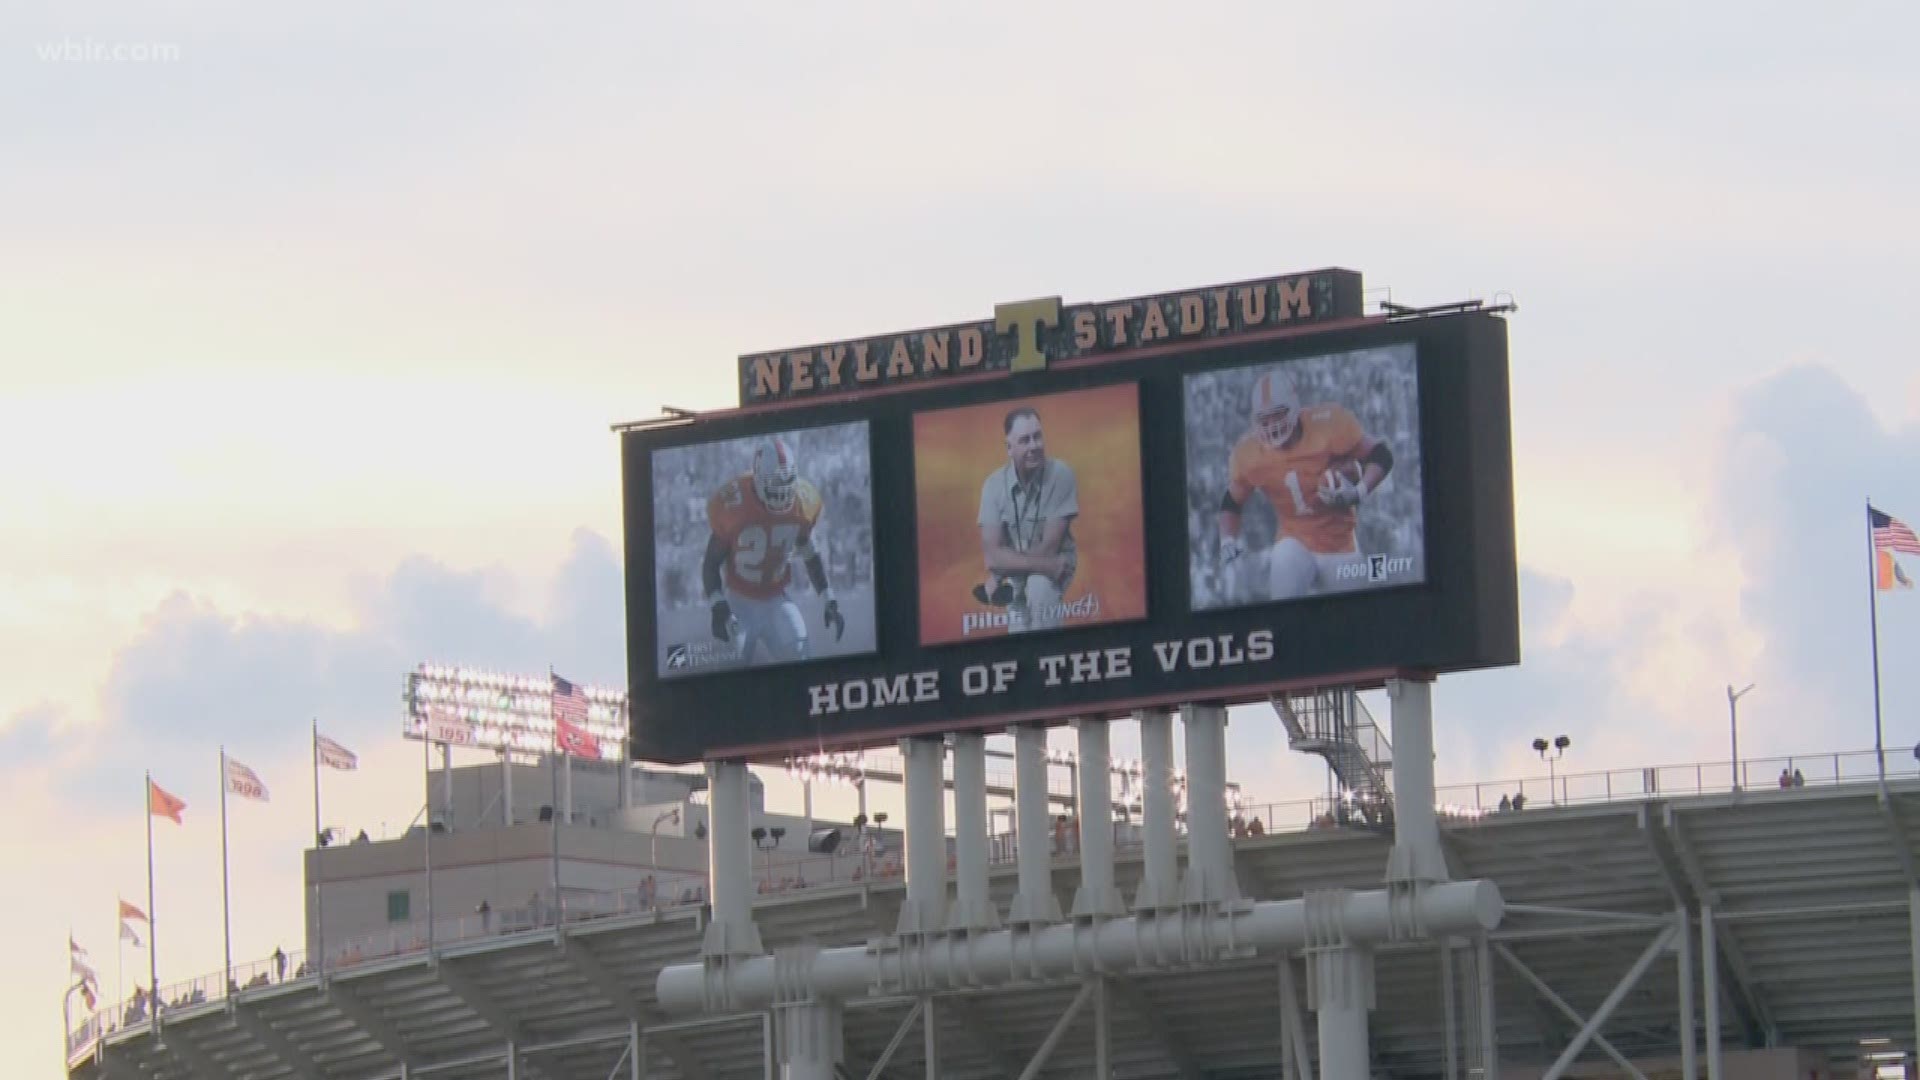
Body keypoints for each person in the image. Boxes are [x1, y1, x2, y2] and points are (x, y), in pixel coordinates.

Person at [1216, 367, 1396, 600]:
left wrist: (1358, 492)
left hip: (1340, 544)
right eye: (1264, 418)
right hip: (1294, 540)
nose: (1271, 425)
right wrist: (1227, 539)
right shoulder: (1249, 453)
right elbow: (1232, 501)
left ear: (1294, 408)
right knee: (1283, 570)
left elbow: (1381, 455)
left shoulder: (1328, 425)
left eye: (1278, 414)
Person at [703, 435, 844, 664]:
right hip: (739, 602)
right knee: (729, 665)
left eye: (787, 486)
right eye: (775, 486)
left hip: (776, 601)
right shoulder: (733, 504)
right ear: (758, 480)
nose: (782, 494)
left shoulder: (802, 503)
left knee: (802, 656)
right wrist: (718, 606)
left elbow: (810, 554)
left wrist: (829, 598)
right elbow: (710, 563)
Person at [976, 406, 1079, 633]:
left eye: (1037, 436)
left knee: (1039, 586)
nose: (1034, 446)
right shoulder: (993, 486)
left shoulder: (1061, 474)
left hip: (1054, 562)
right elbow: (993, 555)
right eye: (1025, 440)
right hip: (1023, 571)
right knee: (1018, 625)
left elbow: (1049, 547)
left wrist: (999, 572)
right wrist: (1001, 568)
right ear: (1009, 448)